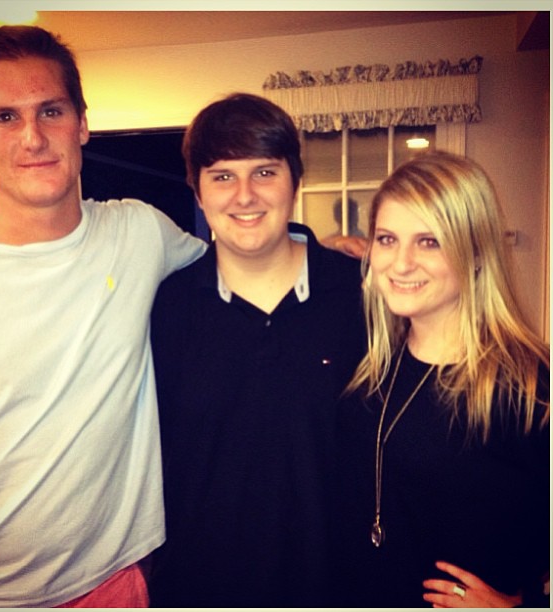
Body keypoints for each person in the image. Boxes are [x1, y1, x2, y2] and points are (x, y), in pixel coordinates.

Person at [0, 25, 206, 607]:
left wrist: (324, 252)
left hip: (109, 584)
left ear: (82, 123)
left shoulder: (139, 233)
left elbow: (244, 269)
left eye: (51, 110)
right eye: (5, 117)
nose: (33, 137)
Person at [148, 93, 367, 606]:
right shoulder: (166, 306)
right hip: (200, 588)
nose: (244, 195)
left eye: (264, 172)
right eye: (223, 176)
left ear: (295, 181)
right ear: (198, 192)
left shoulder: (363, 295)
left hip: (338, 585)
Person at [334, 151, 550, 608]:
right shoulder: (369, 366)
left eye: (429, 242)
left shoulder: (530, 386)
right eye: (387, 239)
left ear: (476, 252)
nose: (401, 263)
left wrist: (523, 606)